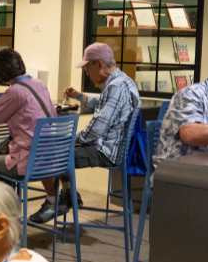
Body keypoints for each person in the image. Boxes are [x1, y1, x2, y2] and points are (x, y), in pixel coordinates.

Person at [38, 42, 140, 222]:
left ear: (99, 64)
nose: (86, 73)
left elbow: (98, 128)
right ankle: (69, 196)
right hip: (113, 148)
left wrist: (73, 139)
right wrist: (79, 96)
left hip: (106, 152)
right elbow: (103, 103)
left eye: (87, 67)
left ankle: (55, 201)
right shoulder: (123, 80)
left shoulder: (116, 86)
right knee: (60, 148)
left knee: (52, 153)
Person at [0, 47, 55, 181]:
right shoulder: (39, 84)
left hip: (27, 162)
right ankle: (51, 199)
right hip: (50, 158)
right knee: (2, 149)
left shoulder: (15, 91)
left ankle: (2, 199)